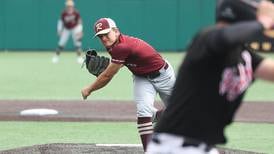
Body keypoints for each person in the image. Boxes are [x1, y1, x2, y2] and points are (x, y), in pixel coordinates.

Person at [146, 0, 274, 154]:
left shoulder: (244, 55)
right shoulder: (207, 39)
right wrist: (264, 21)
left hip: (202, 147)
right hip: (174, 146)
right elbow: (227, 36)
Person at [81, 17, 176, 151]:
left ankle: (157, 116)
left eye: (106, 34)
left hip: (164, 77)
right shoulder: (113, 45)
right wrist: (109, 67)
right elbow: (119, 64)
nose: (103, 39)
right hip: (142, 78)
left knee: (180, 111)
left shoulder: (122, 47)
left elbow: (108, 75)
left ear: (116, 31)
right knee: (143, 113)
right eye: (100, 36)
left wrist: (89, 89)